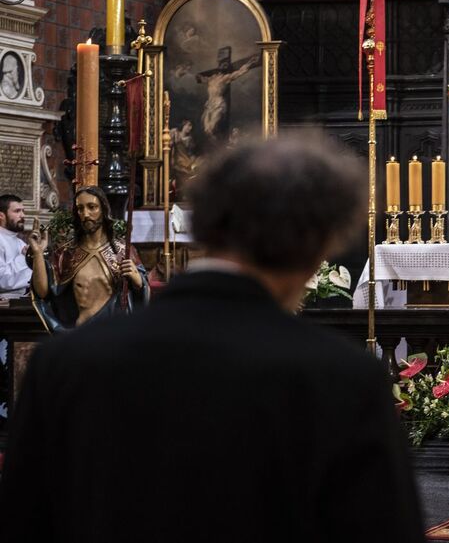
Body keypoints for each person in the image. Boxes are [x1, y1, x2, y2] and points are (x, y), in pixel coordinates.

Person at [0, 135, 426, 543]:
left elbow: (25, 524)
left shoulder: (66, 363)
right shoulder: (344, 380)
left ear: (202, 224)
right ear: (320, 244)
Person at [28, 186, 150, 332]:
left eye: (92, 207)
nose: (85, 214)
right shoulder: (67, 253)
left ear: (103, 209)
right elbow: (43, 293)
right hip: (78, 335)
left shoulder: (122, 251)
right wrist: (38, 253)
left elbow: (141, 297)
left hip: (112, 335)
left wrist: (138, 282)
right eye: (80, 208)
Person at [0, 194, 30, 297]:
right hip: (6, 308)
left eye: (23, 211)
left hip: (25, 301)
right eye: (17, 211)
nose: (22, 215)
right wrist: (23, 257)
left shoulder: (20, 242)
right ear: (1, 215)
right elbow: (2, 282)